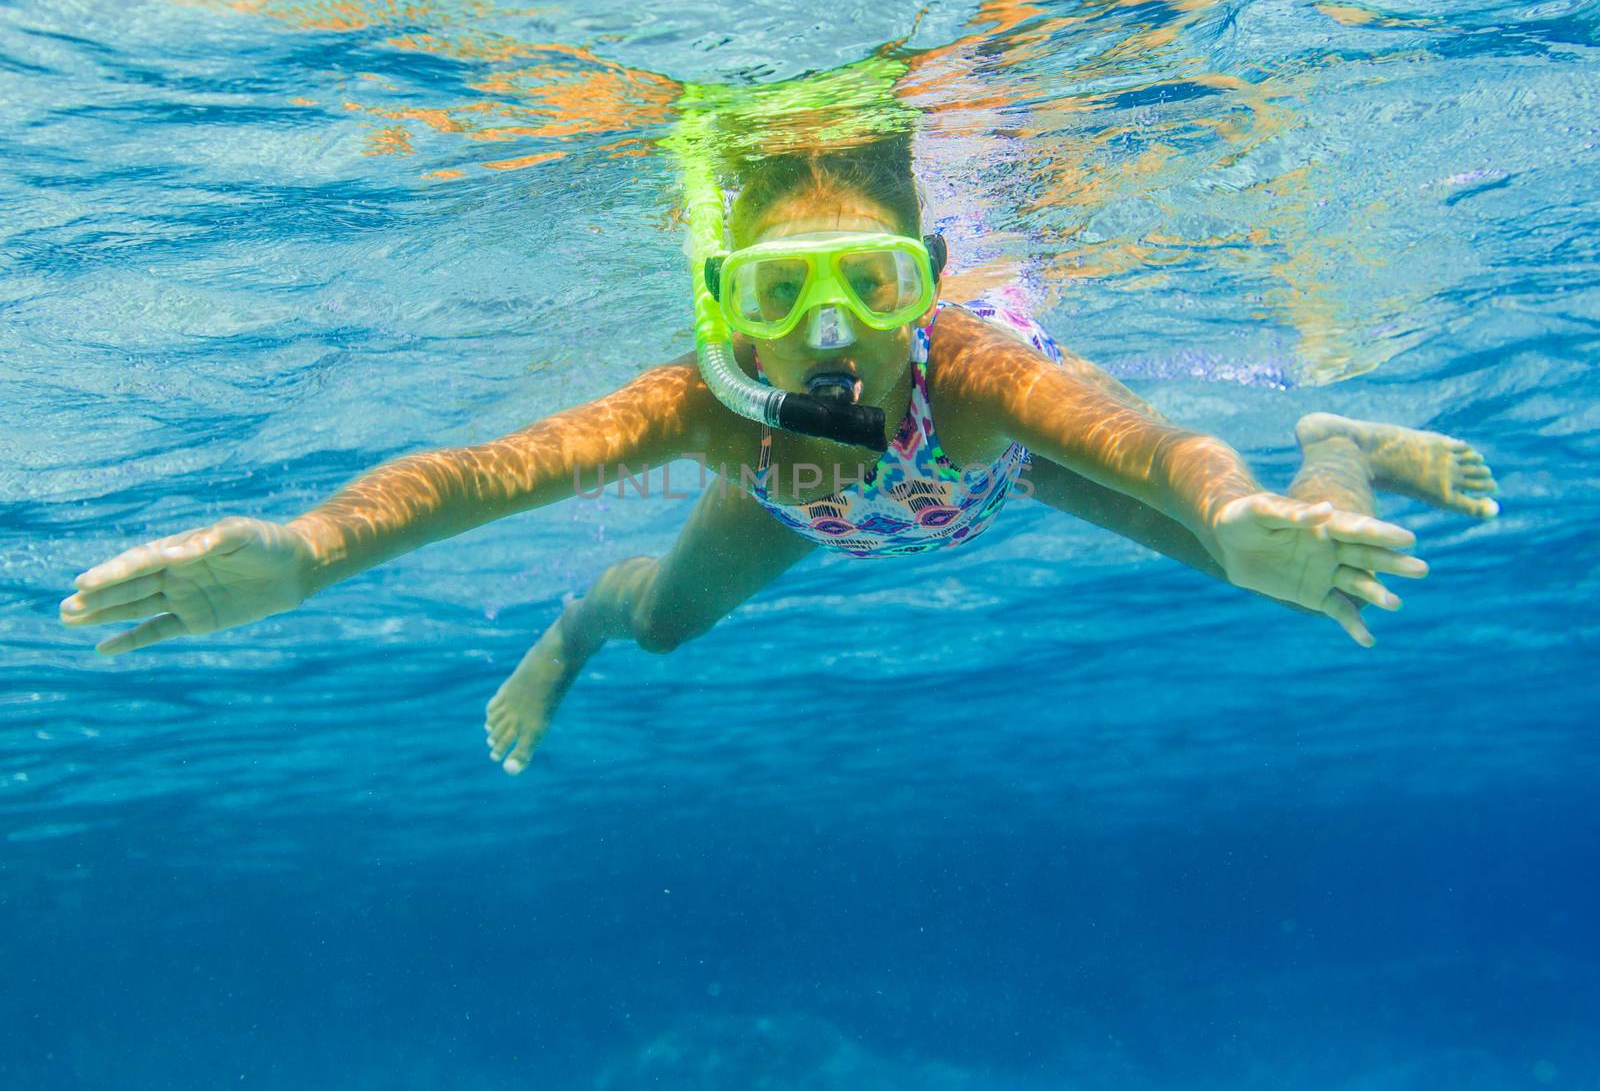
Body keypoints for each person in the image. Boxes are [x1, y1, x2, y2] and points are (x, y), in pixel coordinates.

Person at [58, 134, 1498, 777]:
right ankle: (574, 635)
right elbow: (486, 471)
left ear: (928, 279)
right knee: (665, 626)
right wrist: (309, 551)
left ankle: (1334, 444)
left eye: (871, 285)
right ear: (720, 302)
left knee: (1277, 567)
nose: (828, 333)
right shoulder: (712, 412)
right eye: (775, 292)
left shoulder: (975, 376)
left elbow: (1151, 440)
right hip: (805, 500)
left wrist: (1231, 501)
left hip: (1003, 471)